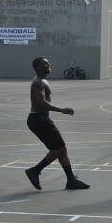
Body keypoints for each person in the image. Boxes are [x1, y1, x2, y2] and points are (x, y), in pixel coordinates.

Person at [25, 57, 89, 190]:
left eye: (48, 63)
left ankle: (71, 180)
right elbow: (41, 103)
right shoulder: (38, 82)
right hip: (38, 119)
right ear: (38, 67)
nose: (49, 65)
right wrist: (62, 110)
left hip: (41, 119)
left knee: (61, 149)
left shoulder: (42, 81)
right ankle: (35, 171)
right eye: (45, 64)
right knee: (59, 149)